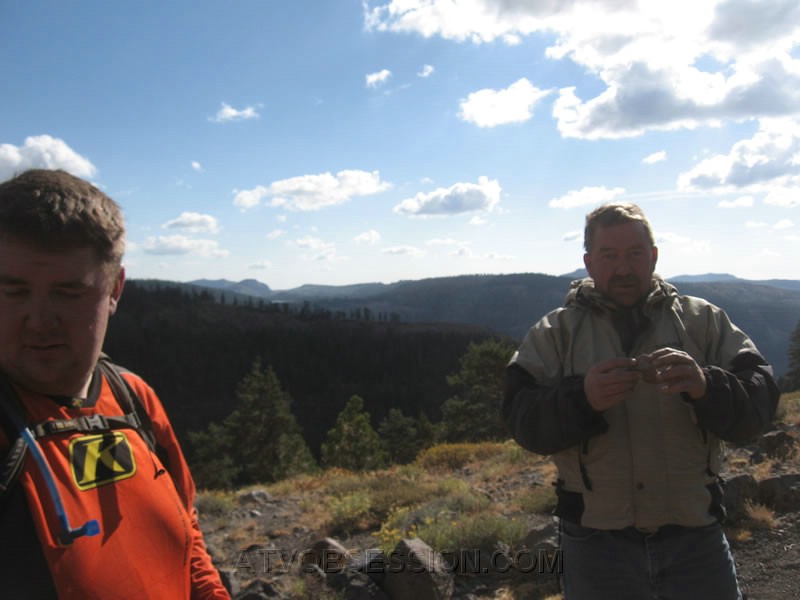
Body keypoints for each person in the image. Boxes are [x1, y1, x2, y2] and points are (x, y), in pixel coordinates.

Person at [503, 203, 779, 600]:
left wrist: (706, 386)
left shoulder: (703, 321)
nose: (624, 268)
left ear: (653, 256)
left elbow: (759, 403)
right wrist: (582, 399)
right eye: (609, 256)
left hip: (694, 537)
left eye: (635, 254)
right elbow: (520, 419)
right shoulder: (554, 334)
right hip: (596, 546)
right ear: (588, 263)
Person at [0, 169, 230, 599]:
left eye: (68, 294)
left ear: (115, 290)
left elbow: (187, 529)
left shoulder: (132, 397)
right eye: (13, 291)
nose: (39, 320)